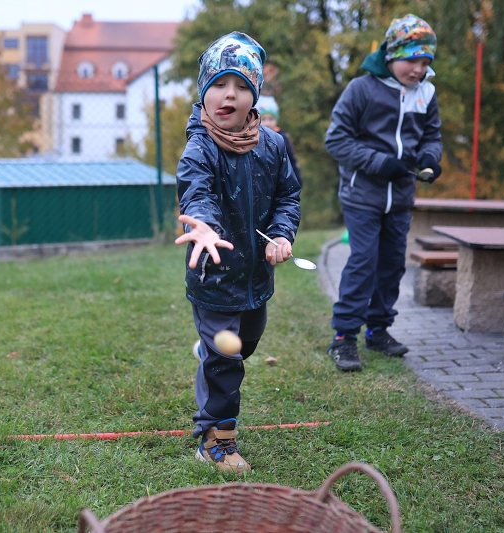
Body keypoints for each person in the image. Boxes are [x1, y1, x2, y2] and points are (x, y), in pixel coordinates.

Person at [174, 31, 301, 473]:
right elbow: (197, 193)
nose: (230, 94)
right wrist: (204, 226)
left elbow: (289, 196)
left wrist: (283, 234)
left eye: (243, 86)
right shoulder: (199, 149)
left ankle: (212, 355)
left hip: (255, 278)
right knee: (227, 361)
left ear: (256, 96)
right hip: (214, 277)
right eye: (220, 84)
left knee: (244, 344)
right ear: (204, 90)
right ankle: (216, 441)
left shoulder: (273, 146)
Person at [324, 14, 442, 372]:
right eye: (412, 60)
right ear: (391, 54)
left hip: (401, 198)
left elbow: (432, 137)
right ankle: (344, 337)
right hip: (363, 196)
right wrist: (379, 162)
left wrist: (431, 159)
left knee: (392, 265)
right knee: (363, 262)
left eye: (425, 62)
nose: (419, 70)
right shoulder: (362, 89)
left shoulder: (426, 93)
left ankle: (378, 330)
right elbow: (337, 140)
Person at [257, 95, 302, 186]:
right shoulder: (255, 138)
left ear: (276, 120)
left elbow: (291, 159)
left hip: (280, 179)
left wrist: (296, 179)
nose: (267, 123)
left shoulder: (282, 137)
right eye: (264, 119)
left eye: (271, 119)